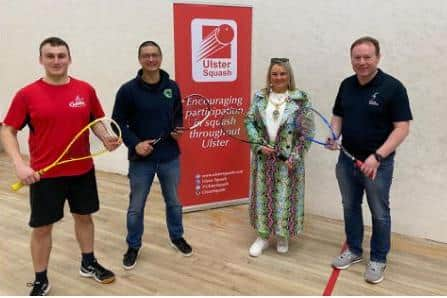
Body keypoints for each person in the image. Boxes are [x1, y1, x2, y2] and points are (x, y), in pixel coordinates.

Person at [0, 37, 119, 296]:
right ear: (41, 60)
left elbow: (95, 121)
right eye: (50, 56)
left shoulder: (85, 89)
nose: (56, 61)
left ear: (69, 58)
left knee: (84, 218)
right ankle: (40, 279)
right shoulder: (26, 94)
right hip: (45, 175)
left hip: (82, 171)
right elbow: (7, 130)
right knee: (42, 228)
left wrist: (106, 138)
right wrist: (19, 164)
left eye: (61, 55)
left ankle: (88, 263)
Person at [327, 36, 413, 284]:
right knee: (350, 206)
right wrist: (334, 135)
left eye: (367, 57)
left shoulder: (393, 88)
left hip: (378, 165)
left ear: (377, 58)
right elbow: (338, 115)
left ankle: (378, 258)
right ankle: (353, 249)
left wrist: (377, 157)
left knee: (379, 212)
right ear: (351, 59)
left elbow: (402, 128)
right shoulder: (346, 85)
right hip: (347, 161)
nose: (362, 62)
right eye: (357, 57)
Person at [112, 40, 192, 270]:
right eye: (146, 55)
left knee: (174, 202)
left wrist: (178, 129)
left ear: (160, 57)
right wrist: (135, 144)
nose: (150, 59)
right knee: (136, 206)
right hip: (141, 161)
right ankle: (133, 245)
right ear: (140, 59)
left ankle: (177, 237)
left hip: (170, 157)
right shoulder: (128, 90)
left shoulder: (172, 87)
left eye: (154, 55)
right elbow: (118, 123)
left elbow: (178, 114)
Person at [244, 58, 314, 257]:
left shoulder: (301, 99)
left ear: (289, 75)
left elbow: (307, 131)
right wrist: (258, 144)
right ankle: (263, 237)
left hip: (288, 160)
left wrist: (296, 156)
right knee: (263, 197)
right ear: (269, 76)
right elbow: (249, 122)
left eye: (283, 73)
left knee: (285, 198)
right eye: (275, 74)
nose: (279, 77)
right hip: (264, 159)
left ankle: (283, 236)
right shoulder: (259, 97)